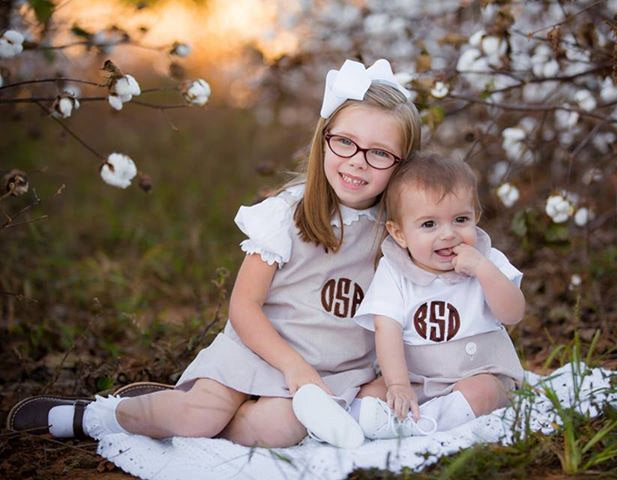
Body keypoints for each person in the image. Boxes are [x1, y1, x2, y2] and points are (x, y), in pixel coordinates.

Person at [7, 58, 421, 449]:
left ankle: (215, 415)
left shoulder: (398, 232)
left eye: (380, 153)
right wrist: (294, 368)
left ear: (402, 164)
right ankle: (101, 416)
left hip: (334, 370)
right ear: (323, 139)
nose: (357, 162)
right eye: (345, 142)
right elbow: (244, 306)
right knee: (197, 419)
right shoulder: (285, 216)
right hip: (260, 351)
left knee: (278, 429)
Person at [353, 153, 525, 439]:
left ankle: (419, 424)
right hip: (417, 378)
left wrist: (484, 270)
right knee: (369, 393)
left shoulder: (488, 259)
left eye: (460, 220)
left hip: (480, 372)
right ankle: (348, 421)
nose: (448, 234)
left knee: (483, 393)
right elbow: (387, 328)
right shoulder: (394, 270)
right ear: (400, 233)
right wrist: (397, 383)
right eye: (429, 224)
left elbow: (514, 313)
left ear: (476, 218)